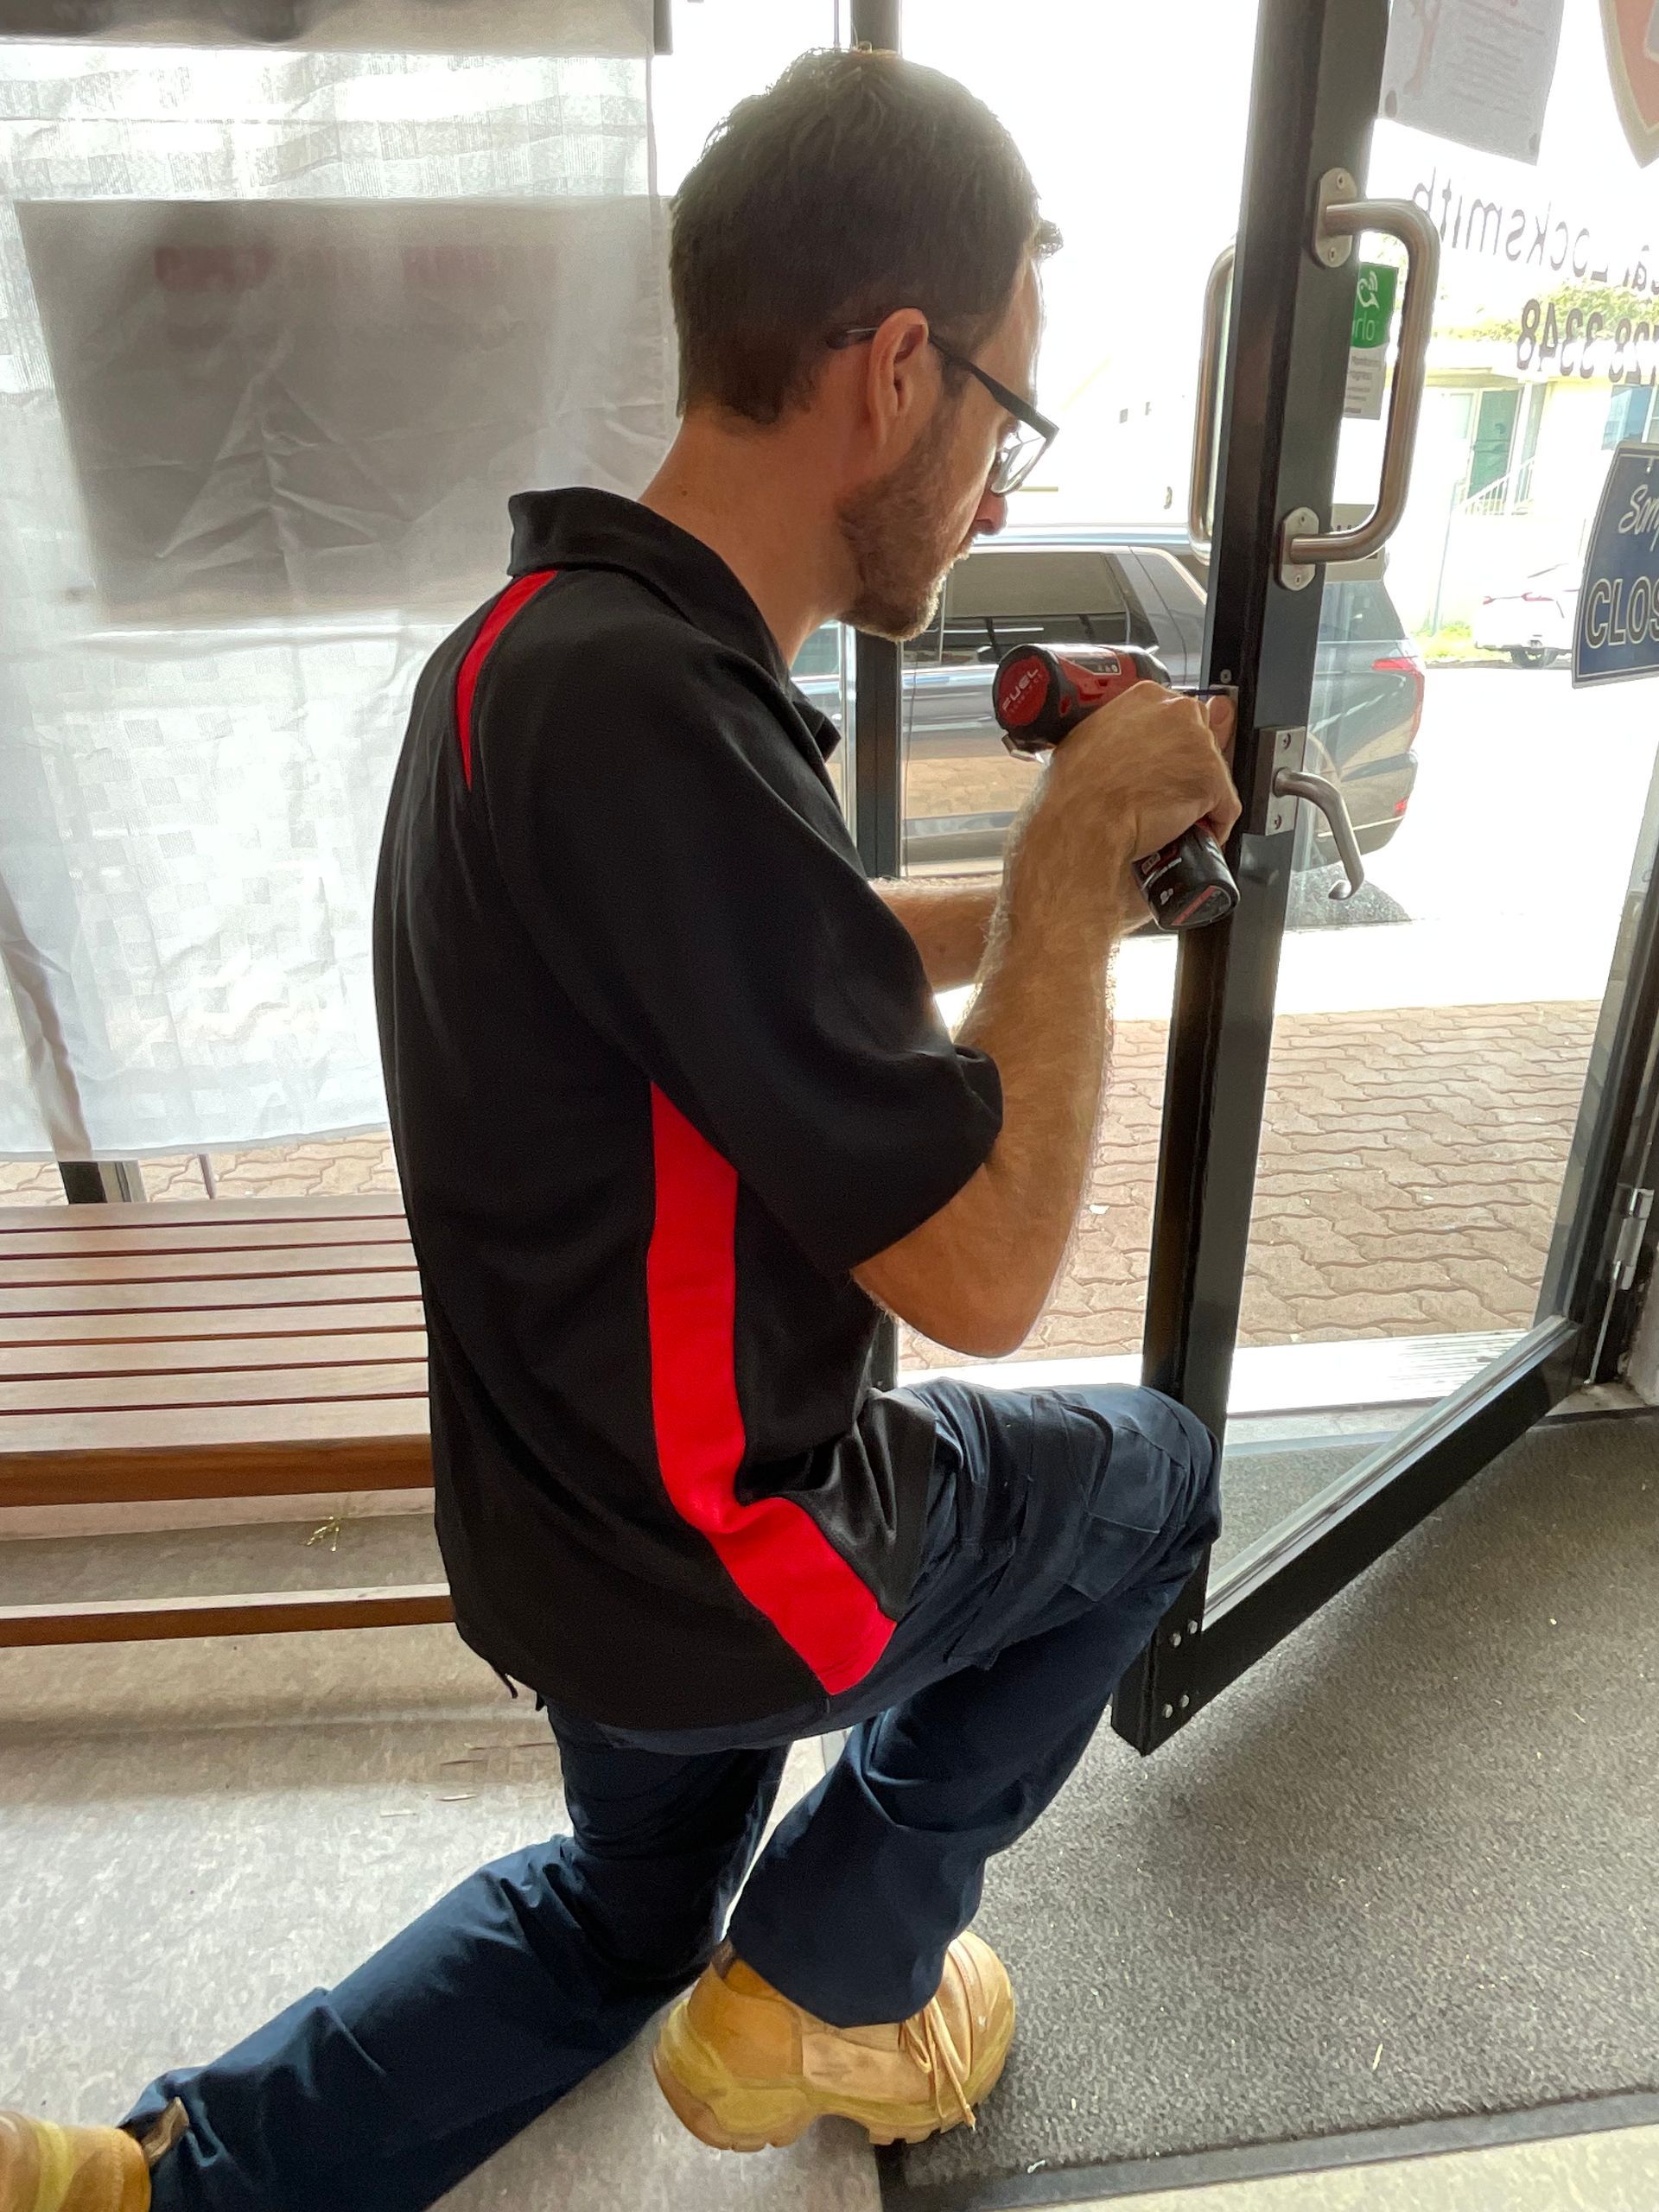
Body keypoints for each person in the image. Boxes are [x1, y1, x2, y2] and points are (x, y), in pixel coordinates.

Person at [0, 46, 1236, 2212]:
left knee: (616, 1908)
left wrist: (1053, 890)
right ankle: (838, 1974)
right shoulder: (662, 721)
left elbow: (768, 953)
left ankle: (158, 2183)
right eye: (1004, 422)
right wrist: (1065, 874)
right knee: (1149, 1482)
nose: (998, 494)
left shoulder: (531, 658)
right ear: (892, 368)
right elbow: (984, 1263)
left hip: (558, 1534)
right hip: (729, 1551)